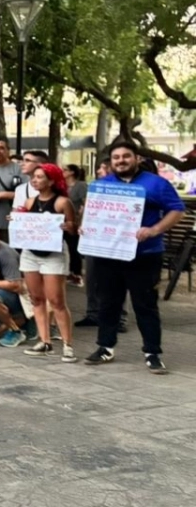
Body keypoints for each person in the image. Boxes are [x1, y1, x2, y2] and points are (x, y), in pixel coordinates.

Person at [84, 141, 186, 374]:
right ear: (110, 162)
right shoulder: (102, 186)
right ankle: (105, 347)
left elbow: (177, 209)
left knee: (145, 305)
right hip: (108, 254)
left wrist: (154, 230)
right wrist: (86, 229)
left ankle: (153, 352)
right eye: (116, 157)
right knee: (108, 303)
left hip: (145, 254)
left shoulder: (156, 184)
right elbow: (92, 215)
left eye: (126, 156)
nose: (121, 161)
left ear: (137, 158)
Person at [17, 164, 77, 362]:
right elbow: (24, 225)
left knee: (56, 300)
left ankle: (67, 344)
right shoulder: (29, 201)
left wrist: (67, 226)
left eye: (40, 177)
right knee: (36, 298)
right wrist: (16, 220)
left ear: (51, 181)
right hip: (30, 252)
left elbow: (73, 229)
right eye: (33, 177)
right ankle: (44, 341)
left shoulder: (62, 202)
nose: (34, 180)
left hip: (53, 253)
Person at [64, 164, 88, 285]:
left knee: (73, 247)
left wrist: (82, 220)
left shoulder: (80, 185)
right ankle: (67, 271)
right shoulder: (62, 185)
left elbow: (86, 202)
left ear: (72, 172)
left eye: (65, 170)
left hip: (75, 219)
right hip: (63, 220)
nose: (63, 172)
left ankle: (76, 272)